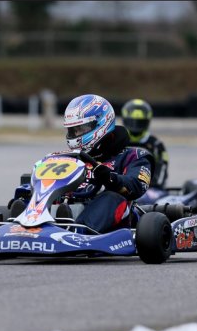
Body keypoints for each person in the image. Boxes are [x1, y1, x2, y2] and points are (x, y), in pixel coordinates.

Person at [49, 94, 154, 233]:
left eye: (82, 128)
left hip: (115, 217)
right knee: (29, 190)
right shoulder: (70, 158)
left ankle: (80, 231)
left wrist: (110, 178)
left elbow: (136, 186)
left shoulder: (133, 156)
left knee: (111, 197)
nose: (76, 134)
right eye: (73, 130)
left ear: (101, 123)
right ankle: (26, 222)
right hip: (69, 205)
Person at [121, 99, 169, 189]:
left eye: (139, 122)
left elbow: (162, 167)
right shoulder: (119, 140)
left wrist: (155, 186)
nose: (135, 125)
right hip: (122, 186)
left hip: (151, 189)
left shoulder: (156, 145)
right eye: (132, 121)